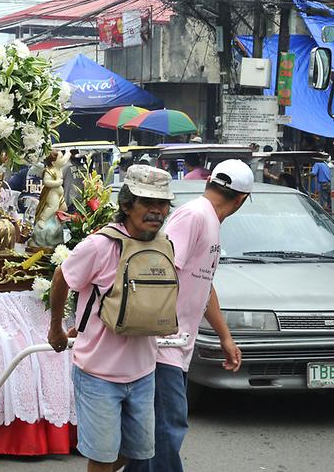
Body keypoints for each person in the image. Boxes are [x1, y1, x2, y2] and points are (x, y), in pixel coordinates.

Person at [127, 159, 251, 472]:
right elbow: (160, 271)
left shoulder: (208, 219)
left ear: (210, 182)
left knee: (159, 430)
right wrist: (158, 329)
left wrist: (225, 336)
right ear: (242, 199)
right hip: (163, 344)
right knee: (168, 427)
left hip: (178, 344)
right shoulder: (194, 215)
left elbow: (203, 284)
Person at [48, 164, 174, 471]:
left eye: (163, 204)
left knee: (134, 452)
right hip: (98, 374)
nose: (156, 211)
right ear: (127, 205)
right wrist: (57, 330)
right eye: (148, 203)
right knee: (103, 458)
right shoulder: (99, 245)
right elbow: (61, 277)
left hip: (143, 372)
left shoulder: (164, 244)